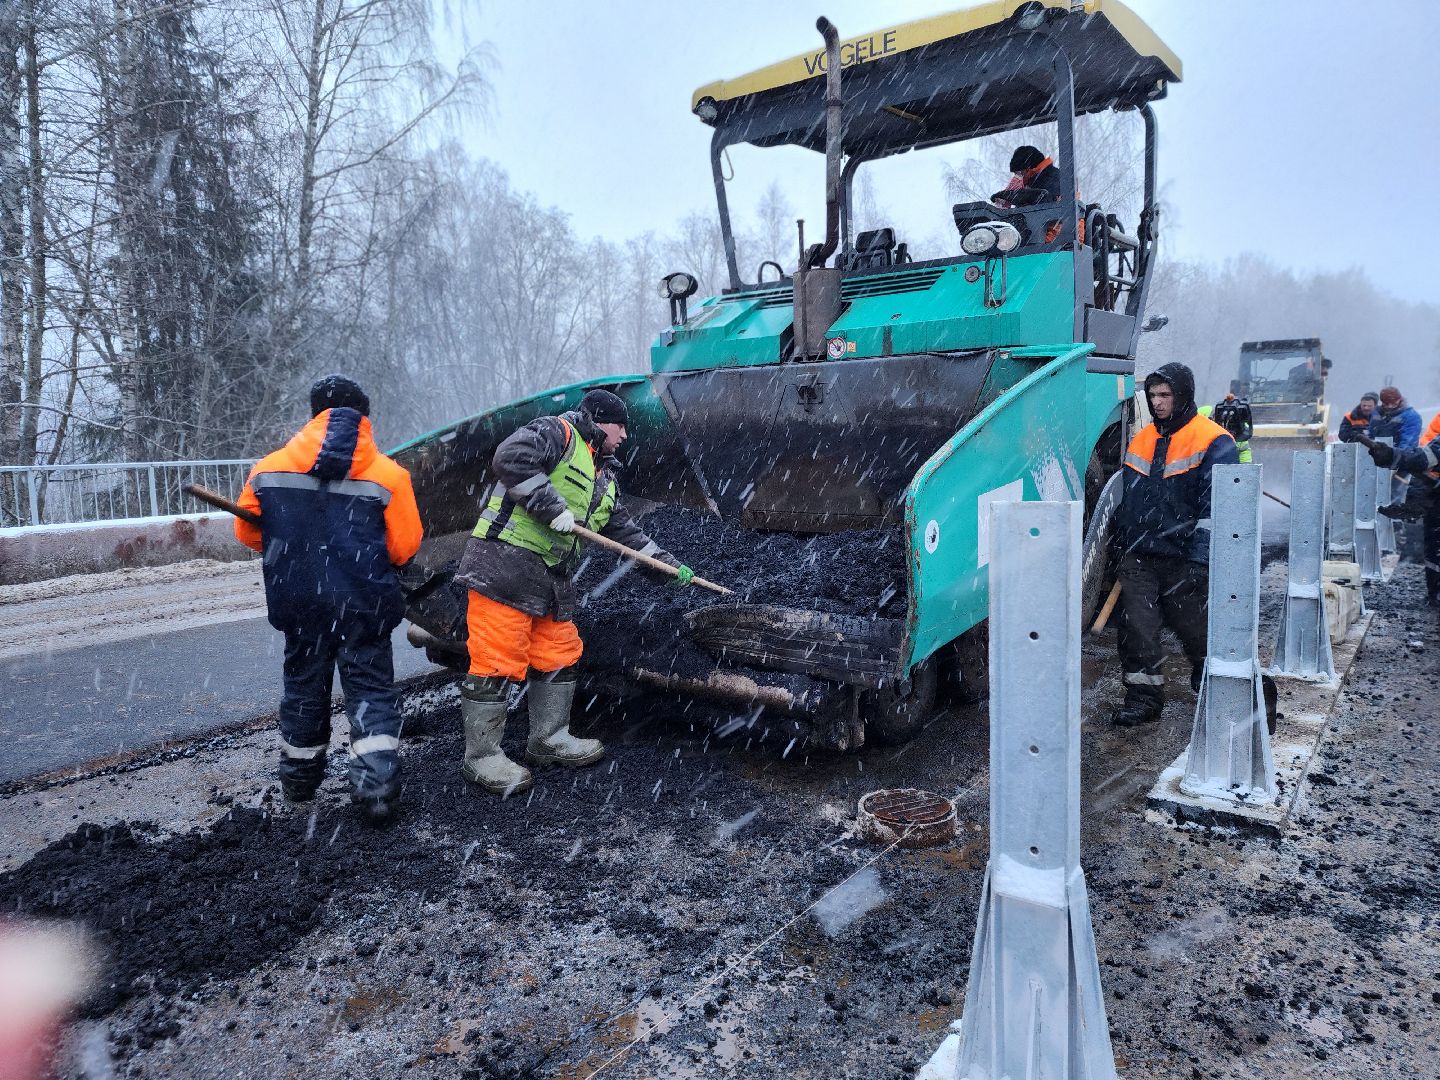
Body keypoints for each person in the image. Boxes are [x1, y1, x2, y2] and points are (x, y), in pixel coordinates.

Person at [454, 388, 695, 795]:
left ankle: (548, 739)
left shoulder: (605, 479)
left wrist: (667, 567)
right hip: (504, 566)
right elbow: (510, 457)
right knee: (498, 656)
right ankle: (481, 757)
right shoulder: (557, 434)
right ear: (601, 422)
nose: (625, 436)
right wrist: (551, 508)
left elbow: (626, 535)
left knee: (558, 652)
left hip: (551, 578)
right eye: (621, 428)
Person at [235, 375, 423, 823]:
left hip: (300, 603)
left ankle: (299, 783)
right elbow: (404, 548)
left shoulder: (268, 470)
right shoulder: (389, 476)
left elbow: (248, 533)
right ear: (365, 419)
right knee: (371, 693)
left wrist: (297, 545)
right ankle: (376, 791)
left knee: (303, 690)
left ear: (314, 414)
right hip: (364, 605)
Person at [1110, 362, 1239, 727]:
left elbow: (1218, 507)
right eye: (1152, 395)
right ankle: (1143, 698)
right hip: (1140, 555)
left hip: (1184, 558)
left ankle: (1209, 677)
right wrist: (1120, 543)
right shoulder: (1142, 439)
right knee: (1137, 629)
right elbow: (1129, 500)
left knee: (1194, 629)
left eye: (1164, 395)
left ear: (1183, 396)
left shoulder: (1214, 441)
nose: (1157, 402)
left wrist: (1200, 558)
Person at [1366, 415, 1440, 606]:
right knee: (1434, 545)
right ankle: (1435, 594)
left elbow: (1426, 459)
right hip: (1431, 490)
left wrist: (1392, 456)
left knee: (1435, 544)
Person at [1199, 393, 1253, 463]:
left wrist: (1245, 468)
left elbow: (1244, 452)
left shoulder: (1241, 431)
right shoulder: (1203, 414)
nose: (1231, 433)